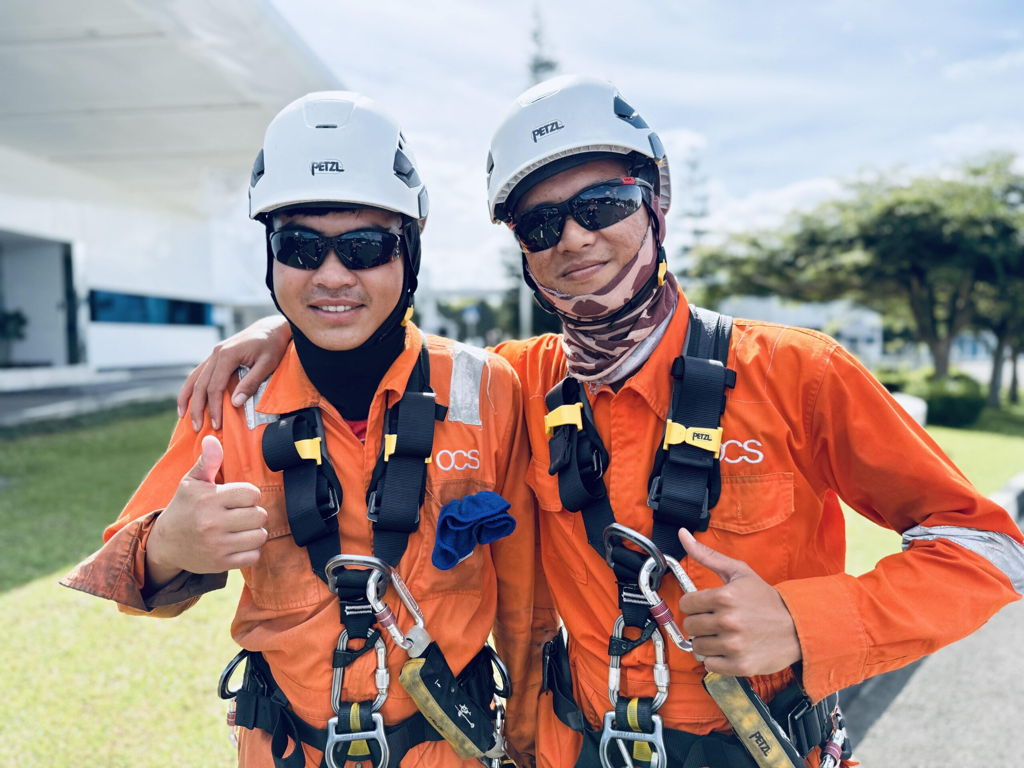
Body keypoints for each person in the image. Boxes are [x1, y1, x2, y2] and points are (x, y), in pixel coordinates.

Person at [177, 76, 1024, 768]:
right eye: (541, 223)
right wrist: (284, 330)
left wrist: (807, 625)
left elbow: (986, 549)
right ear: (522, 249)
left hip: (759, 748)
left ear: (654, 202)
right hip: (572, 748)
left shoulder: (796, 374)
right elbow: (387, 351)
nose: (575, 238)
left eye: (603, 203)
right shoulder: (520, 382)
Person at [62, 91, 553, 768]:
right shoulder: (231, 400)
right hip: (289, 751)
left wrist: (529, 740)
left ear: (409, 250)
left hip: (451, 749)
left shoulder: (487, 388)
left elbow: (527, 603)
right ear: (270, 254)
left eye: (364, 246)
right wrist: (167, 546)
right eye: (300, 246)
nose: (331, 276)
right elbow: (125, 575)